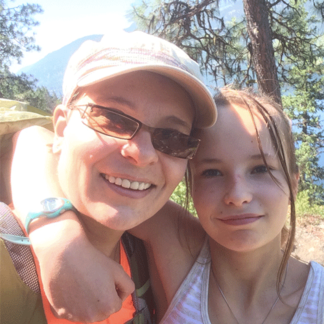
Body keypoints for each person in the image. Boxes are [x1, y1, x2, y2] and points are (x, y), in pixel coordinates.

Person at [10, 88, 324, 323]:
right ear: (191, 185)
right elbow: (35, 139)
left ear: (294, 183)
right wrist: (59, 240)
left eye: (260, 169)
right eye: (212, 172)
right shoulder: (179, 243)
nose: (237, 195)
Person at [0, 30, 217, 324]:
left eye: (172, 137)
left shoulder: (151, 256)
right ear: (61, 129)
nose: (142, 153)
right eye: (113, 119)